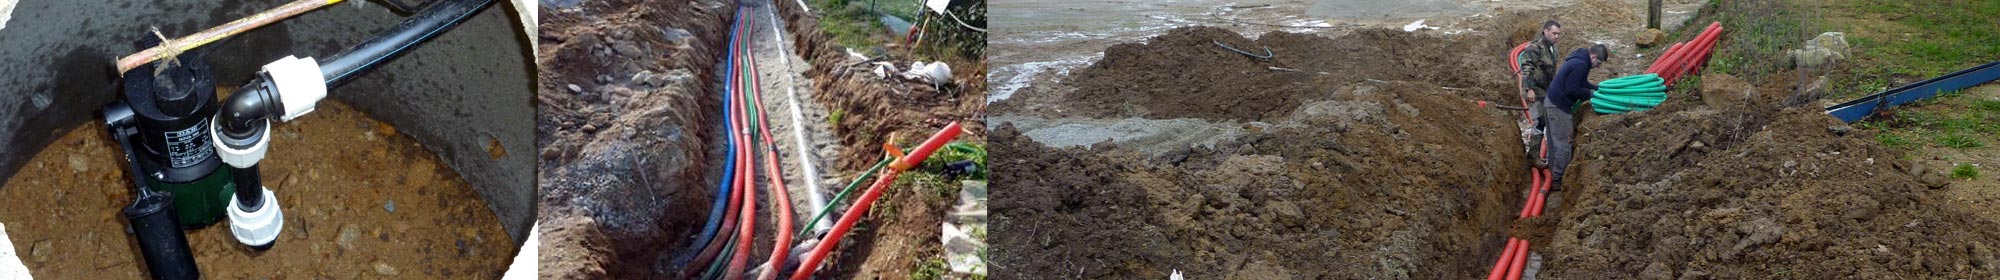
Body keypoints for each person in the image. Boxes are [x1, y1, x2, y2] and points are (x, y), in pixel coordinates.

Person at [1543, 44, 1609, 191]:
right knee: (1563, 144)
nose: (1598, 67)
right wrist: (1591, 94)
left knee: (1555, 142)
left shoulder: (1579, 59)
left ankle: (1554, 173)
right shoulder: (1580, 65)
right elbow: (1572, 89)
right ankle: (1558, 179)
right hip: (1558, 106)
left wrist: (1597, 88)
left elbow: (1581, 83)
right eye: (1598, 63)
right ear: (1593, 56)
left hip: (1552, 102)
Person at [1518, 20, 1562, 166]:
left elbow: (1551, 71)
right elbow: (1526, 69)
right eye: (1554, 33)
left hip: (1546, 90)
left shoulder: (1553, 49)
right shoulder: (1534, 48)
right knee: (1539, 122)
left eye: (1558, 34)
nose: (1556, 36)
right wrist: (1529, 89)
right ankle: (1533, 156)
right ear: (1546, 31)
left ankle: (1540, 154)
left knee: (1546, 120)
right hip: (1534, 91)